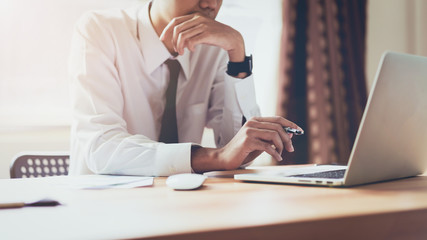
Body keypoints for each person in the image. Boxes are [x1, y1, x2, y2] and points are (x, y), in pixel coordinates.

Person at [69, 0, 302, 176]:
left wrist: (237, 53)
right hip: (105, 210)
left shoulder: (214, 46)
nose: (209, 3)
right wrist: (214, 158)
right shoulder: (100, 30)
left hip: (182, 207)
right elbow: (101, 147)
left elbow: (238, 149)